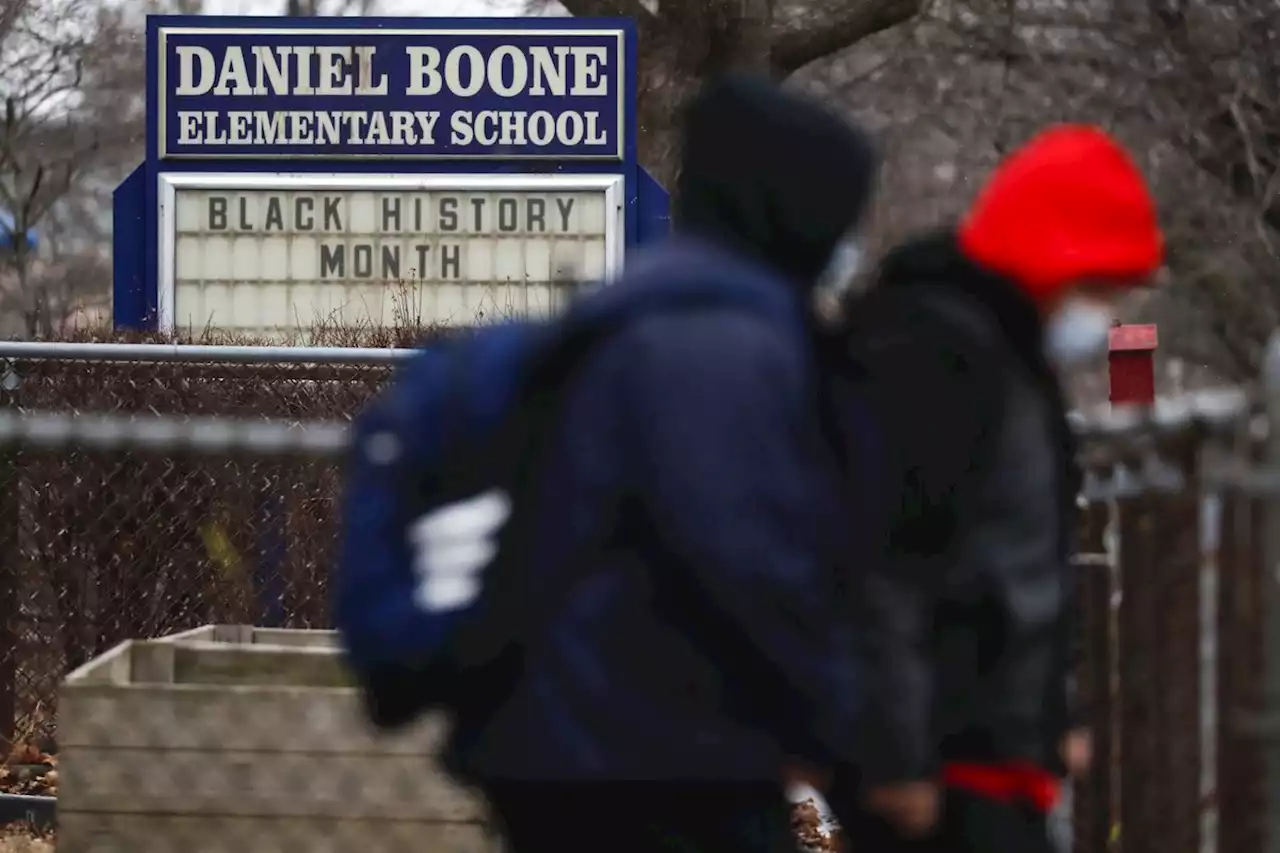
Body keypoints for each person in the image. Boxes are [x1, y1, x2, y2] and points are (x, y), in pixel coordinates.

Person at [443, 75, 880, 853]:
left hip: (560, 739)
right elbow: (736, 553)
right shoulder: (719, 346)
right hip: (658, 749)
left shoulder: (627, 323)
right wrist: (829, 721)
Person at [823, 125, 1163, 851]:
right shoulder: (940, 353)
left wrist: (1048, 722)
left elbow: (1009, 556)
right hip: (947, 767)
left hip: (981, 755)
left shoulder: (987, 347)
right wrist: (897, 757)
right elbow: (885, 563)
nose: (1102, 309)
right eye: (1099, 286)